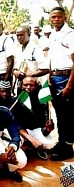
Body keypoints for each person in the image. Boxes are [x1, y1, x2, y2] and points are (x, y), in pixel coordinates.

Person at [47, 7, 74, 161]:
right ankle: (62, 142)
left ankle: (68, 147)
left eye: (58, 17)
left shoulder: (70, 34)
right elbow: (51, 59)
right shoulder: (52, 35)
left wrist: (70, 86)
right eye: (53, 17)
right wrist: (50, 78)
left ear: (64, 17)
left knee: (69, 114)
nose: (56, 20)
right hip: (55, 78)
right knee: (59, 114)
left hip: (66, 77)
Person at [15, 77, 55, 160]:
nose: (28, 87)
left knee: (50, 144)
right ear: (21, 86)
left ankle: (35, 147)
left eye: (31, 85)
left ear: (36, 86)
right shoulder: (17, 100)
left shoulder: (41, 99)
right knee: (16, 144)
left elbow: (42, 128)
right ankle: (30, 145)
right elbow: (16, 124)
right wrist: (32, 140)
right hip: (22, 132)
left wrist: (48, 129)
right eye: (26, 85)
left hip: (35, 130)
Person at [13, 25, 49, 96]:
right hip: (21, 85)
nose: (19, 37)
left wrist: (30, 74)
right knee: (22, 106)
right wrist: (16, 72)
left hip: (33, 86)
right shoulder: (17, 49)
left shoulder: (35, 49)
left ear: (29, 35)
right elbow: (14, 68)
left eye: (22, 35)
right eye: (17, 35)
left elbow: (46, 69)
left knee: (35, 106)